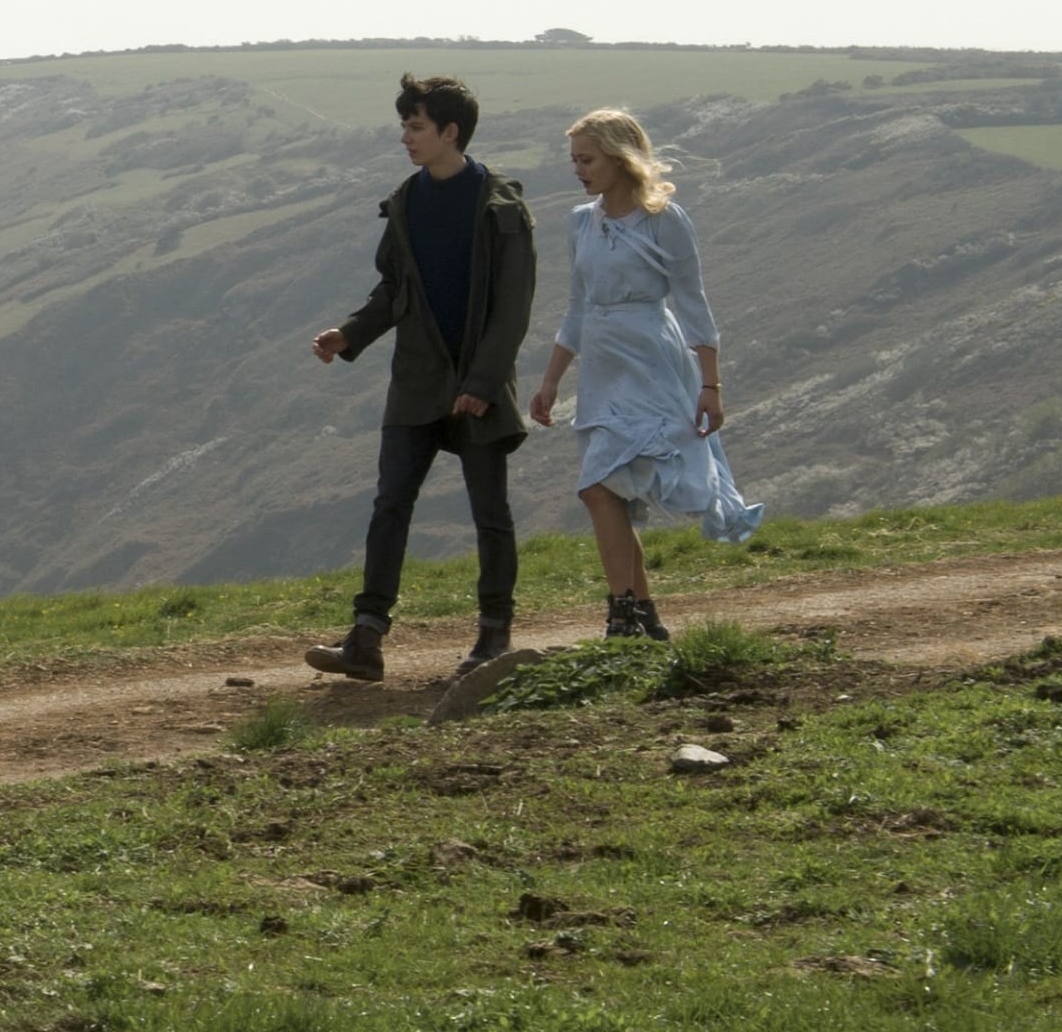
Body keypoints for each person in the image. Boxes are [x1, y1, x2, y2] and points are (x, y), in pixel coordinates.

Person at [304, 74, 538, 684]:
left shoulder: (501, 203)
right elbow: (394, 291)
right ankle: (366, 639)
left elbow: (513, 309)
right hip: (416, 380)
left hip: (478, 386)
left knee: (490, 513)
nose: (404, 137)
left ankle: (494, 636)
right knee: (390, 507)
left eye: (415, 126)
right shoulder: (405, 202)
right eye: (405, 125)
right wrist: (350, 334)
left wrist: (484, 384)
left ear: (449, 132)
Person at [525, 109, 763, 635]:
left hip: (652, 358)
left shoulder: (665, 219)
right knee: (605, 488)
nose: (578, 170)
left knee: (600, 488)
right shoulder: (579, 221)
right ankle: (641, 615)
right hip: (602, 367)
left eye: (586, 159)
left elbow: (694, 304)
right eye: (575, 160)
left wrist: (710, 385)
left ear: (618, 157)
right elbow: (577, 305)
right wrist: (550, 380)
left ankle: (624, 614)